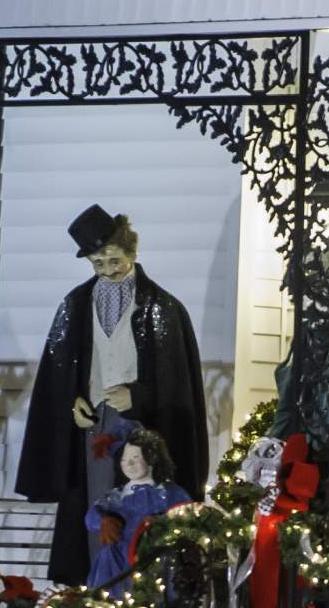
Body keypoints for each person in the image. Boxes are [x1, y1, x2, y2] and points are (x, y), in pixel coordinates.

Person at [15, 205, 208, 586]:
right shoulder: (76, 304)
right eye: (98, 263)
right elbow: (60, 370)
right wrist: (74, 400)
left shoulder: (162, 308)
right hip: (96, 423)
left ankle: (141, 591)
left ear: (132, 252)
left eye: (114, 260)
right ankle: (99, 590)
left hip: (144, 426)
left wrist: (138, 396)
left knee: (143, 506)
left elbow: (175, 381)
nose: (107, 270)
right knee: (99, 506)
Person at [86, 421, 190, 597]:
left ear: (151, 458)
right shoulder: (116, 496)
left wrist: (164, 525)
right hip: (117, 563)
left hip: (155, 560)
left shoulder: (169, 493)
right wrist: (103, 520)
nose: (129, 464)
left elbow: (188, 517)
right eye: (124, 459)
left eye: (135, 458)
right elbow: (90, 518)